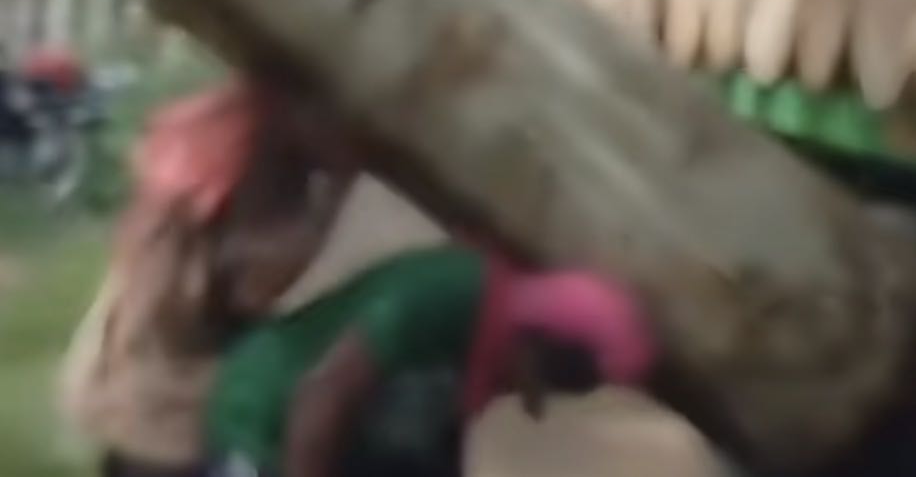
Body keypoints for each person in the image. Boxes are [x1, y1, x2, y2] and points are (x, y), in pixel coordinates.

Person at [61, 77, 363, 477]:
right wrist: (338, 182)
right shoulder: (220, 254)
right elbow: (264, 275)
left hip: (130, 411)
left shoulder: (164, 227)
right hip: (176, 427)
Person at [206, 245, 657, 477]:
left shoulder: (484, 346)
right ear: (535, 346)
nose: (530, 400)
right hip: (262, 422)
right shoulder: (448, 295)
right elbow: (320, 401)